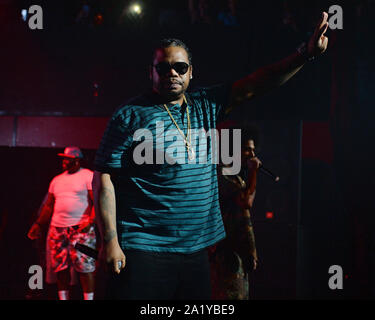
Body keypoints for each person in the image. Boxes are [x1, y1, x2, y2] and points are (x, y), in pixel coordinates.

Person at [93, 12, 329, 300]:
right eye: (163, 67)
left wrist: (304, 54)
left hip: (196, 251)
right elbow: (104, 177)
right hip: (144, 247)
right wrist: (110, 240)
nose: (172, 74)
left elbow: (258, 83)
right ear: (151, 72)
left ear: (191, 71)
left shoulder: (206, 105)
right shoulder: (129, 115)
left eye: (180, 67)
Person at [28, 147, 96, 300]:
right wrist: (38, 224)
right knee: (61, 267)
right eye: (63, 158)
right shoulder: (57, 180)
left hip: (80, 229)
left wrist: (90, 221)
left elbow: (96, 201)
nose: (64, 162)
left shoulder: (87, 176)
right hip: (57, 228)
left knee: (85, 267)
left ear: (76, 160)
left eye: (67, 159)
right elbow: (49, 205)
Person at [210, 126, 261, 300]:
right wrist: (254, 171)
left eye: (253, 150)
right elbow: (246, 201)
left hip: (236, 253)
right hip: (226, 253)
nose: (251, 154)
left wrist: (250, 250)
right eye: (247, 149)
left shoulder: (236, 177)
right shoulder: (222, 173)